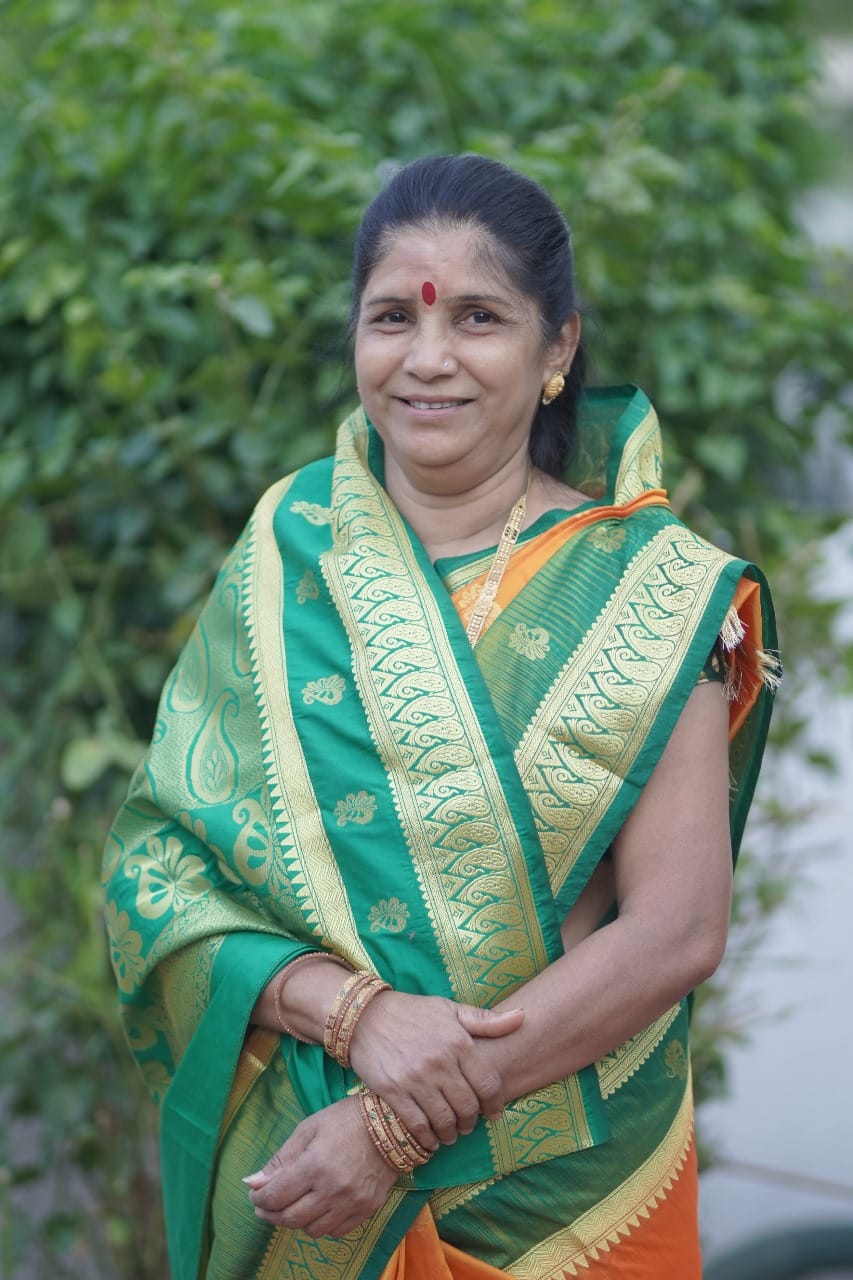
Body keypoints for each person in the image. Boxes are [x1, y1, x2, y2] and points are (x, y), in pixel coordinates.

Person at [103, 154, 779, 1280]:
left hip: (569, 1198)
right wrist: (354, 1015)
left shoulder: (658, 593)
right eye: (391, 318)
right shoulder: (288, 549)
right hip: (308, 1174)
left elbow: (675, 928)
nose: (426, 358)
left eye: (477, 317)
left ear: (556, 348)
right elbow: (160, 871)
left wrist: (391, 1130)